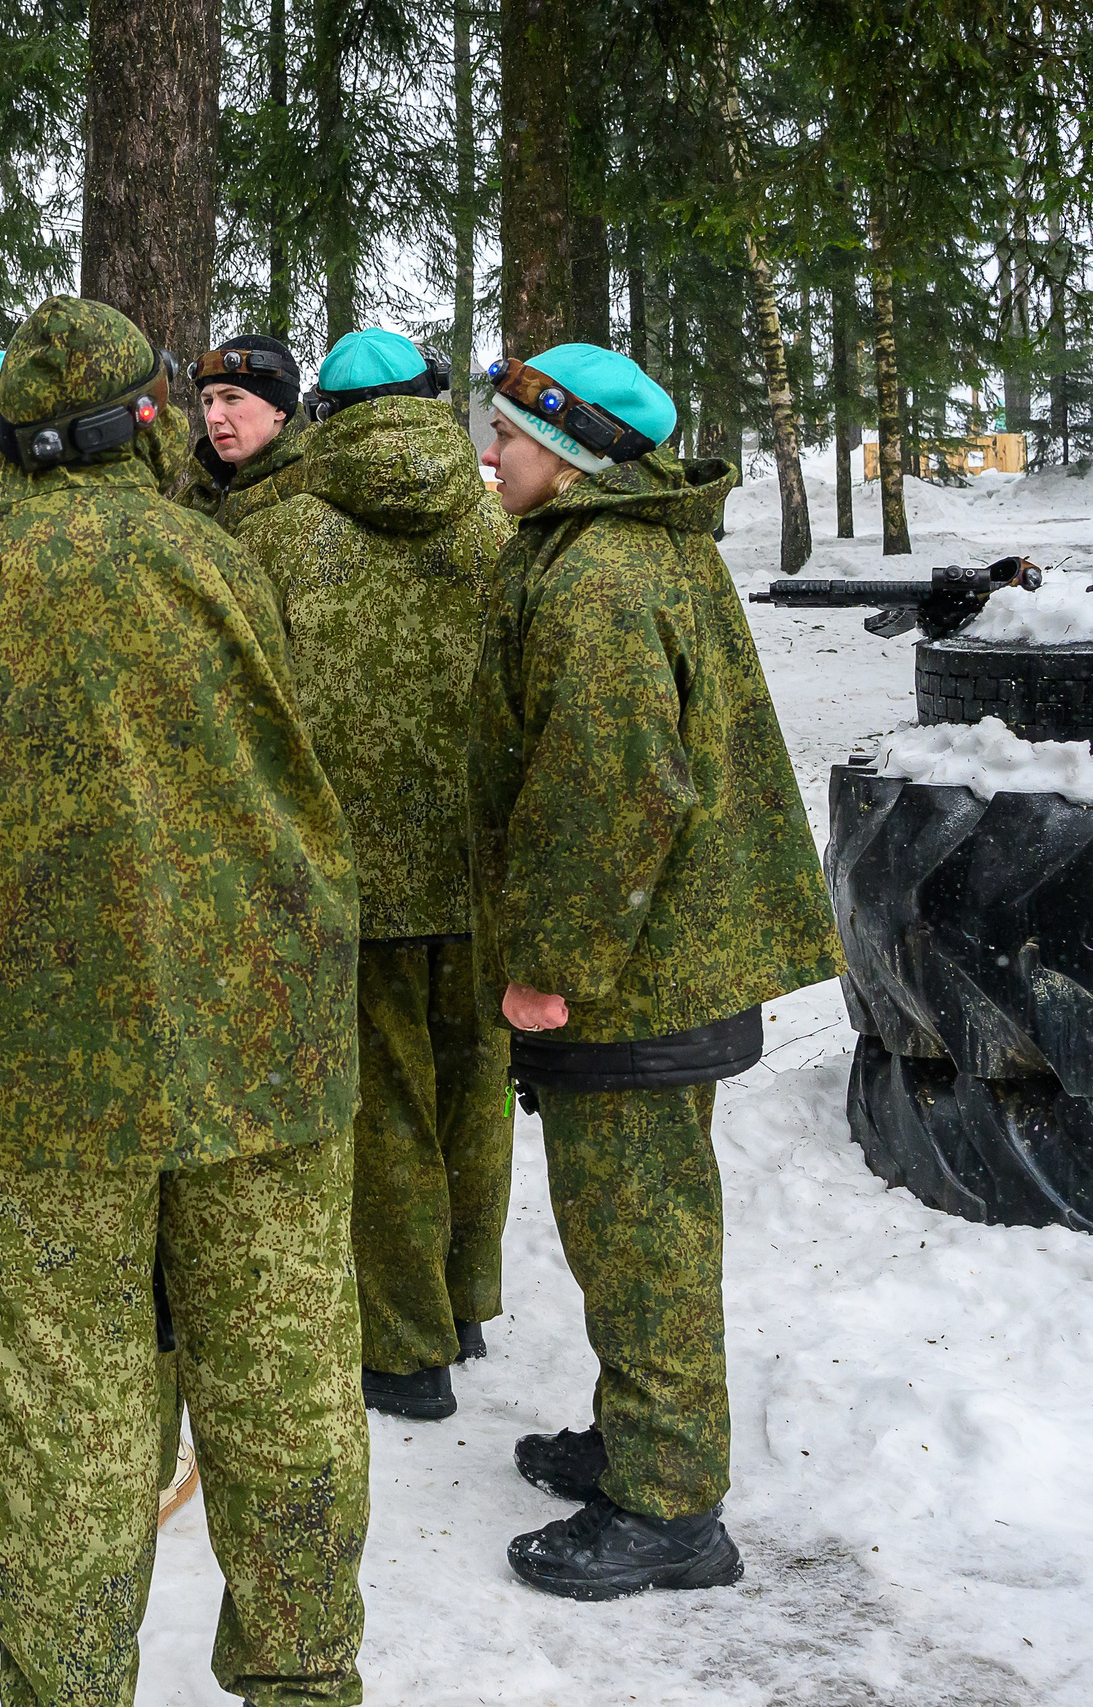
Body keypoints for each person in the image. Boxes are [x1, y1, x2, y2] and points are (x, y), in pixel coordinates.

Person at [0, 296, 370, 1707]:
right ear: (140, 416)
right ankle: (306, 1673)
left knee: (66, 1406)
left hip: (41, 1067)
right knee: (283, 1389)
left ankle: (66, 1683)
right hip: (260, 1043)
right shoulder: (220, 560)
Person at [467, 342, 842, 1598]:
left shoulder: (602, 579)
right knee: (630, 1228)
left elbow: (612, 788)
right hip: (658, 950)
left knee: (642, 1239)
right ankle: (640, 1437)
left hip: (634, 967)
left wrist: (551, 966)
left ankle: (671, 1508)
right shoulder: (613, 548)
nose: (486, 457)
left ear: (568, 453)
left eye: (507, 441)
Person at [210, 326, 517, 1423]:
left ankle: (401, 1347)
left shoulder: (279, 536)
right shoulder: (496, 521)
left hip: (350, 876)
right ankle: (465, 1300)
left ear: (325, 417)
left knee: (381, 1108)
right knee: (476, 1087)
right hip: (479, 870)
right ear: (431, 399)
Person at [185, 331, 306, 513]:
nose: (212, 417)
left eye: (231, 397)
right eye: (208, 401)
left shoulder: (311, 487)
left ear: (279, 408)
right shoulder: (193, 497)